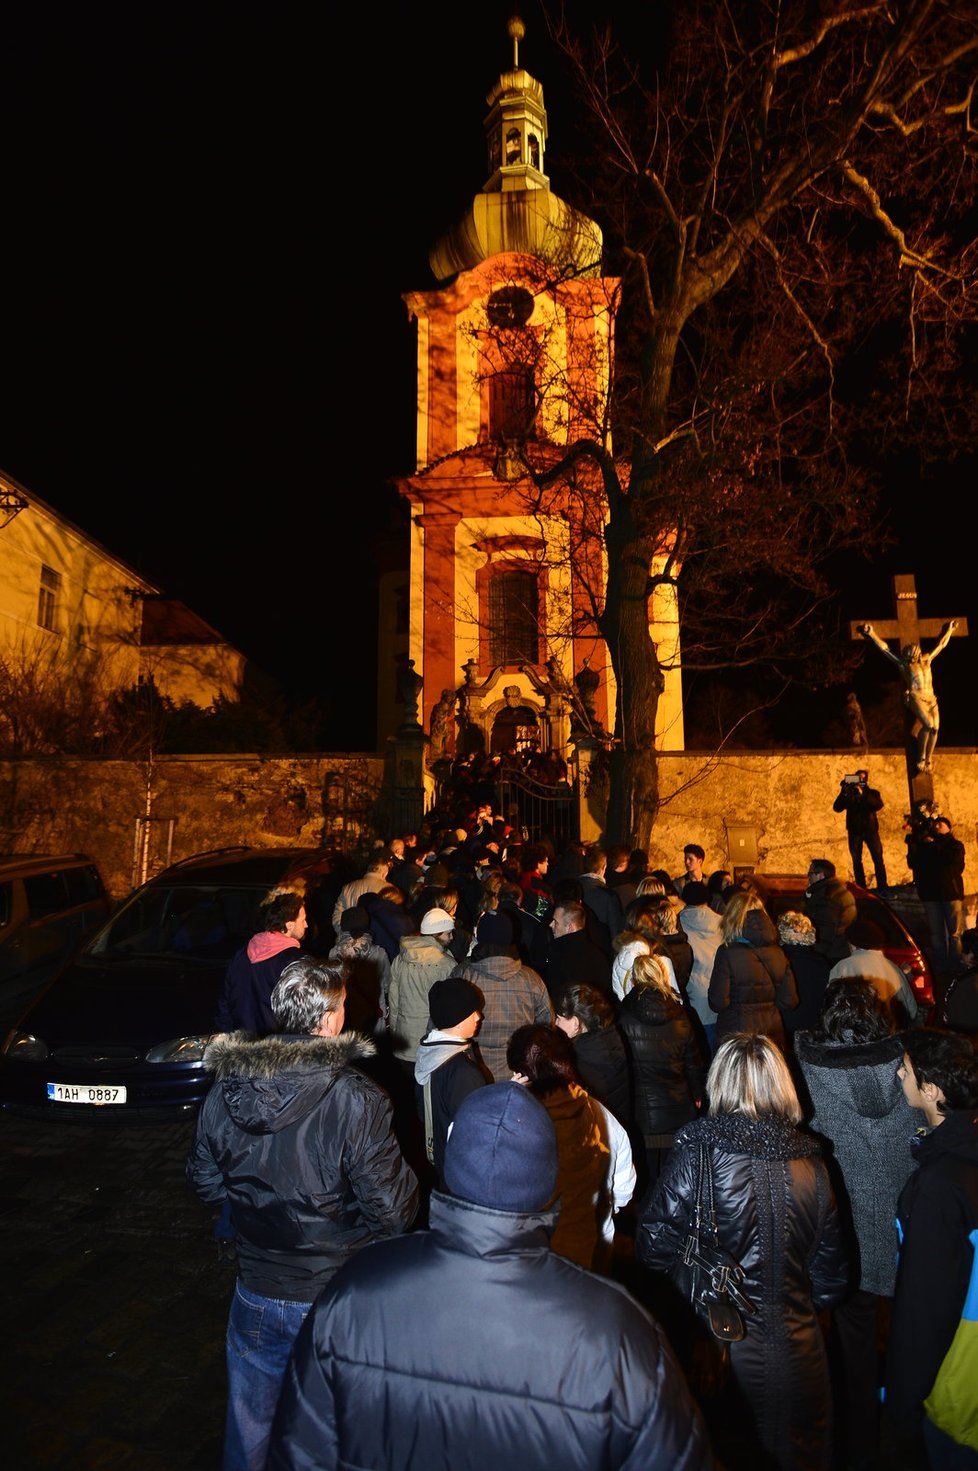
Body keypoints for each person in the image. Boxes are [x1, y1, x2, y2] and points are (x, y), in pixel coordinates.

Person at [268, 1083, 713, 1471]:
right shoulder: (618, 1332)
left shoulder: (354, 1291)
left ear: (451, 1163)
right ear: (547, 1180)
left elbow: (300, 1452)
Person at [187, 956, 419, 1471]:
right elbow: (394, 1213)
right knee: (333, 1431)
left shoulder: (225, 1090)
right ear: (331, 1019)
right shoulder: (358, 1097)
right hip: (334, 1295)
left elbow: (205, 1183)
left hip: (256, 1288)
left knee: (250, 1427)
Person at [638, 1033, 848, 1471]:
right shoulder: (814, 1164)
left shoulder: (698, 1152)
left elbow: (652, 1246)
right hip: (801, 1356)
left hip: (719, 1354)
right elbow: (831, 1283)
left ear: (720, 1082)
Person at [795, 980, 918, 1470]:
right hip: (904, 1223)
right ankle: (908, 1425)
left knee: (855, 1339)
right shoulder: (909, 1067)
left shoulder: (806, 1071)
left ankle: (860, 1435)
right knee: (914, 1328)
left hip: (844, 1225)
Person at [888, 1030, 978, 1466]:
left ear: (931, 1090)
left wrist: (902, 1396)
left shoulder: (939, 1186)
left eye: (906, 1069)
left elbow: (925, 1306)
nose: (899, 1074)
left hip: (956, 1390)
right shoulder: (963, 1154)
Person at [618, 952, 705, 1192]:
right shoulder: (682, 1016)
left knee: (645, 1183)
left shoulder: (622, 1017)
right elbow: (694, 1063)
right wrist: (698, 1093)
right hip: (678, 1108)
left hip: (640, 1114)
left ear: (633, 979)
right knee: (676, 1183)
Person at [450, 908, 553, 1081]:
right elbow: (547, 1027)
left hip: (473, 1072)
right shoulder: (531, 979)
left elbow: (446, 1023)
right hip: (519, 1075)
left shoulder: (462, 975)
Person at [413, 976, 489, 1184]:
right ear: (458, 1017)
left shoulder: (429, 1053)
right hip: (462, 1172)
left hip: (440, 1158)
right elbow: (474, 1133)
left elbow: (423, 1110)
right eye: (472, 1012)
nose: (479, 1017)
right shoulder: (464, 1072)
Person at [859, 620, 958, 773]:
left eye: (912, 652)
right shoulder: (904, 665)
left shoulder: (927, 660)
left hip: (931, 698)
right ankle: (921, 757)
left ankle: (929, 759)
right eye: (908, 653)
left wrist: (949, 630)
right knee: (928, 724)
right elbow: (885, 650)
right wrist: (872, 633)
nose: (911, 655)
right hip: (915, 697)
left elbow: (941, 645)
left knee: (935, 729)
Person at [708, 888, 798, 1051]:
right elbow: (789, 1001)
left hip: (737, 1032)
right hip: (771, 1032)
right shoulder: (778, 952)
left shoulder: (727, 952)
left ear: (732, 918)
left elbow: (718, 1002)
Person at [215, 885, 307, 1035]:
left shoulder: (242, 953)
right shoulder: (296, 961)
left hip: (242, 1045)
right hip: (276, 1049)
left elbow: (225, 1004)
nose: (306, 924)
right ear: (289, 925)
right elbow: (303, 1014)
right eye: (303, 920)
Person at [388, 906, 456, 1069]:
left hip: (404, 1039)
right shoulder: (446, 964)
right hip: (431, 1042)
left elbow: (394, 1001)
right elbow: (450, 1008)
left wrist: (395, 1036)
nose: (451, 937)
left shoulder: (400, 958)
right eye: (448, 933)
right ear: (436, 934)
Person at [554, 982, 631, 1124]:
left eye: (559, 1018)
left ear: (575, 1023)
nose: (556, 1023)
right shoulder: (610, 1039)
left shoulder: (579, 1059)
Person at [828, 915, 919, 1025]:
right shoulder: (893, 968)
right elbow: (911, 1011)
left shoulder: (843, 967)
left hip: (857, 1033)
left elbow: (830, 1006)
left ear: (852, 945)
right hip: (889, 1034)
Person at [908, 815, 967, 974]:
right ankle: (940, 964)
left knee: (955, 933)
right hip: (931, 895)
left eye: (942, 823)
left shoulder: (955, 845)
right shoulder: (925, 845)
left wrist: (933, 846)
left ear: (949, 828)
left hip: (951, 893)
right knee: (936, 933)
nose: (937, 825)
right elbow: (913, 863)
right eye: (936, 823)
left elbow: (951, 860)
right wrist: (914, 844)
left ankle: (955, 962)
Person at [833, 768, 888, 890]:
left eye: (863, 778)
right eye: (857, 778)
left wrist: (863, 794)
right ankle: (861, 888)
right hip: (854, 831)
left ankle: (883, 887)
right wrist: (844, 792)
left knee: (878, 859)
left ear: (866, 780)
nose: (860, 780)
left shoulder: (873, 793)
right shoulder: (849, 793)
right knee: (856, 861)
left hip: (870, 831)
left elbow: (878, 805)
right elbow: (837, 808)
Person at [546, 899, 613, 999]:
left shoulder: (561, 957)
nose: (550, 925)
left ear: (570, 927)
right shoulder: (597, 955)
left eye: (556, 922)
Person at [805, 857, 858, 962]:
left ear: (820, 875)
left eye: (810, 873)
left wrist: (815, 956)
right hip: (841, 951)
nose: (809, 877)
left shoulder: (826, 896)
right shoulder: (842, 891)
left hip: (829, 957)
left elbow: (824, 930)